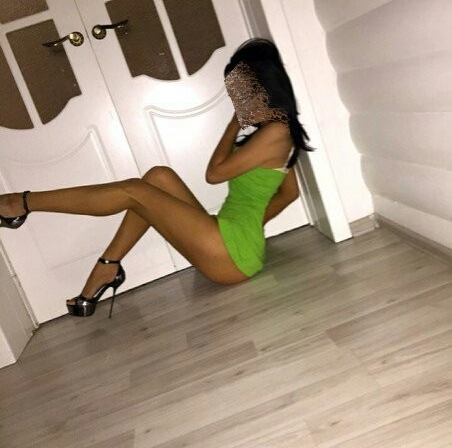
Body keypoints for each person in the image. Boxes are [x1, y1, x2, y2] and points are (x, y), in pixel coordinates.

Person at [0, 38, 312, 318]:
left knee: (135, 191)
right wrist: (249, 227)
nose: (237, 102)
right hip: (230, 243)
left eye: (241, 95)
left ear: (263, 88)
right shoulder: (278, 130)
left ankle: (19, 203)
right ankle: (108, 266)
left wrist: (234, 123)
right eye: (235, 96)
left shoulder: (277, 131)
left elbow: (214, 174)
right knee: (158, 177)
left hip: (231, 256)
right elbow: (290, 193)